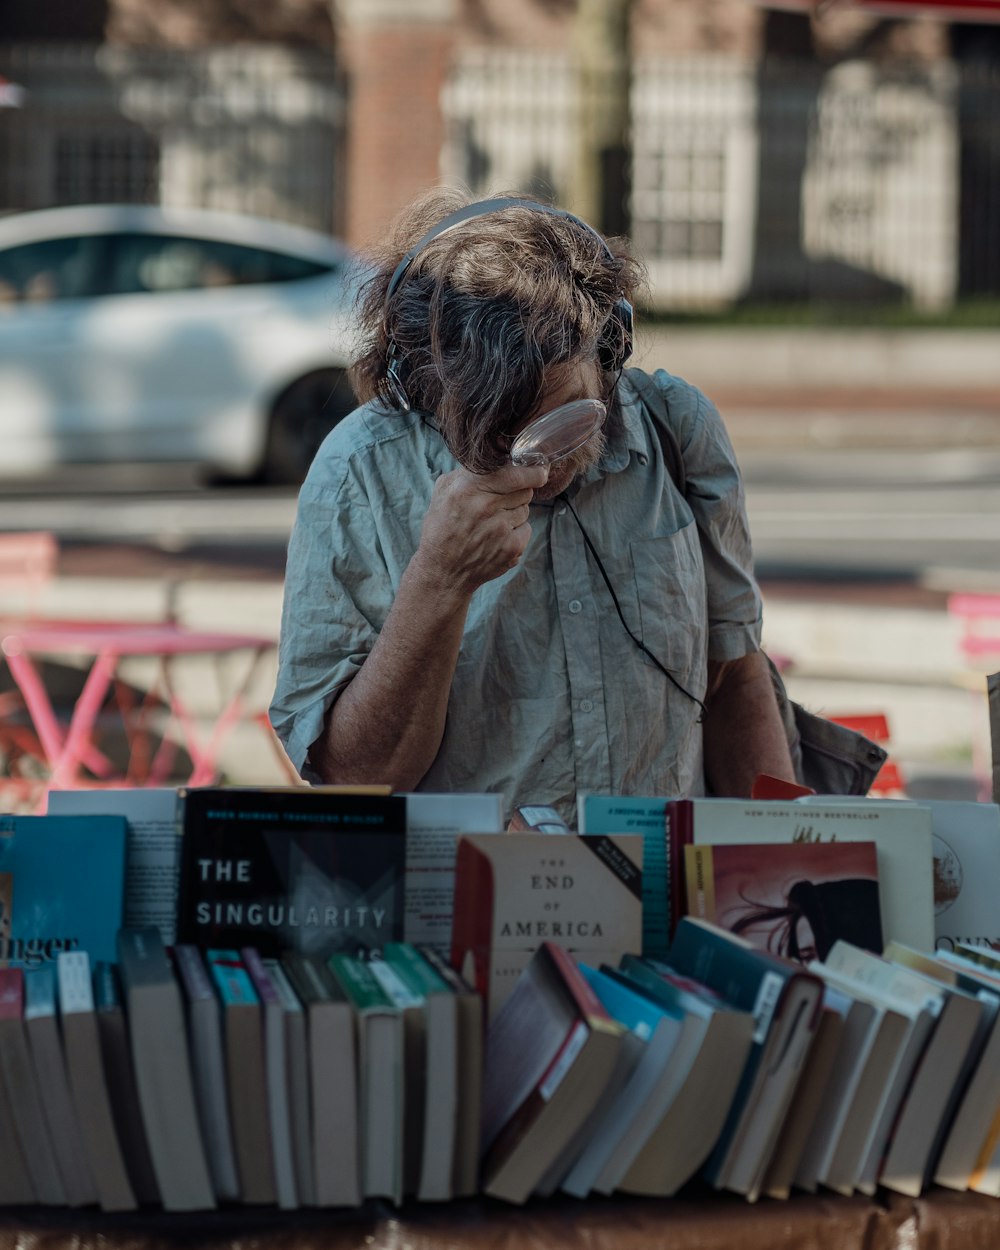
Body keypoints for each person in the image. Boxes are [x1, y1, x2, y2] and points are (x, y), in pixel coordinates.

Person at [269, 188, 795, 824]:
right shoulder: (359, 470)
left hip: (659, 888)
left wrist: (784, 862)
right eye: (498, 438)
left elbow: (737, 678)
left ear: (611, 350)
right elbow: (351, 779)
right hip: (467, 899)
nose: (540, 467)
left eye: (567, 421)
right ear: (422, 392)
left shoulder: (679, 431)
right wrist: (439, 578)